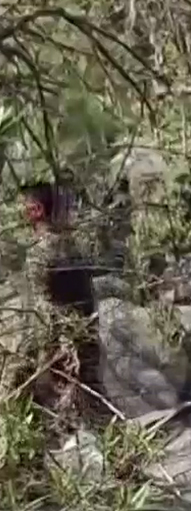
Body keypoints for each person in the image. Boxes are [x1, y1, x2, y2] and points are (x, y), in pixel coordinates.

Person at [16, 180, 103, 426]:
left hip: (61, 347)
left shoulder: (41, 252)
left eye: (23, 206)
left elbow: (44, 309)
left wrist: (42, 354)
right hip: (85, 338)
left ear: (36, 211)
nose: (20, 213)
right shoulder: (74, 246)